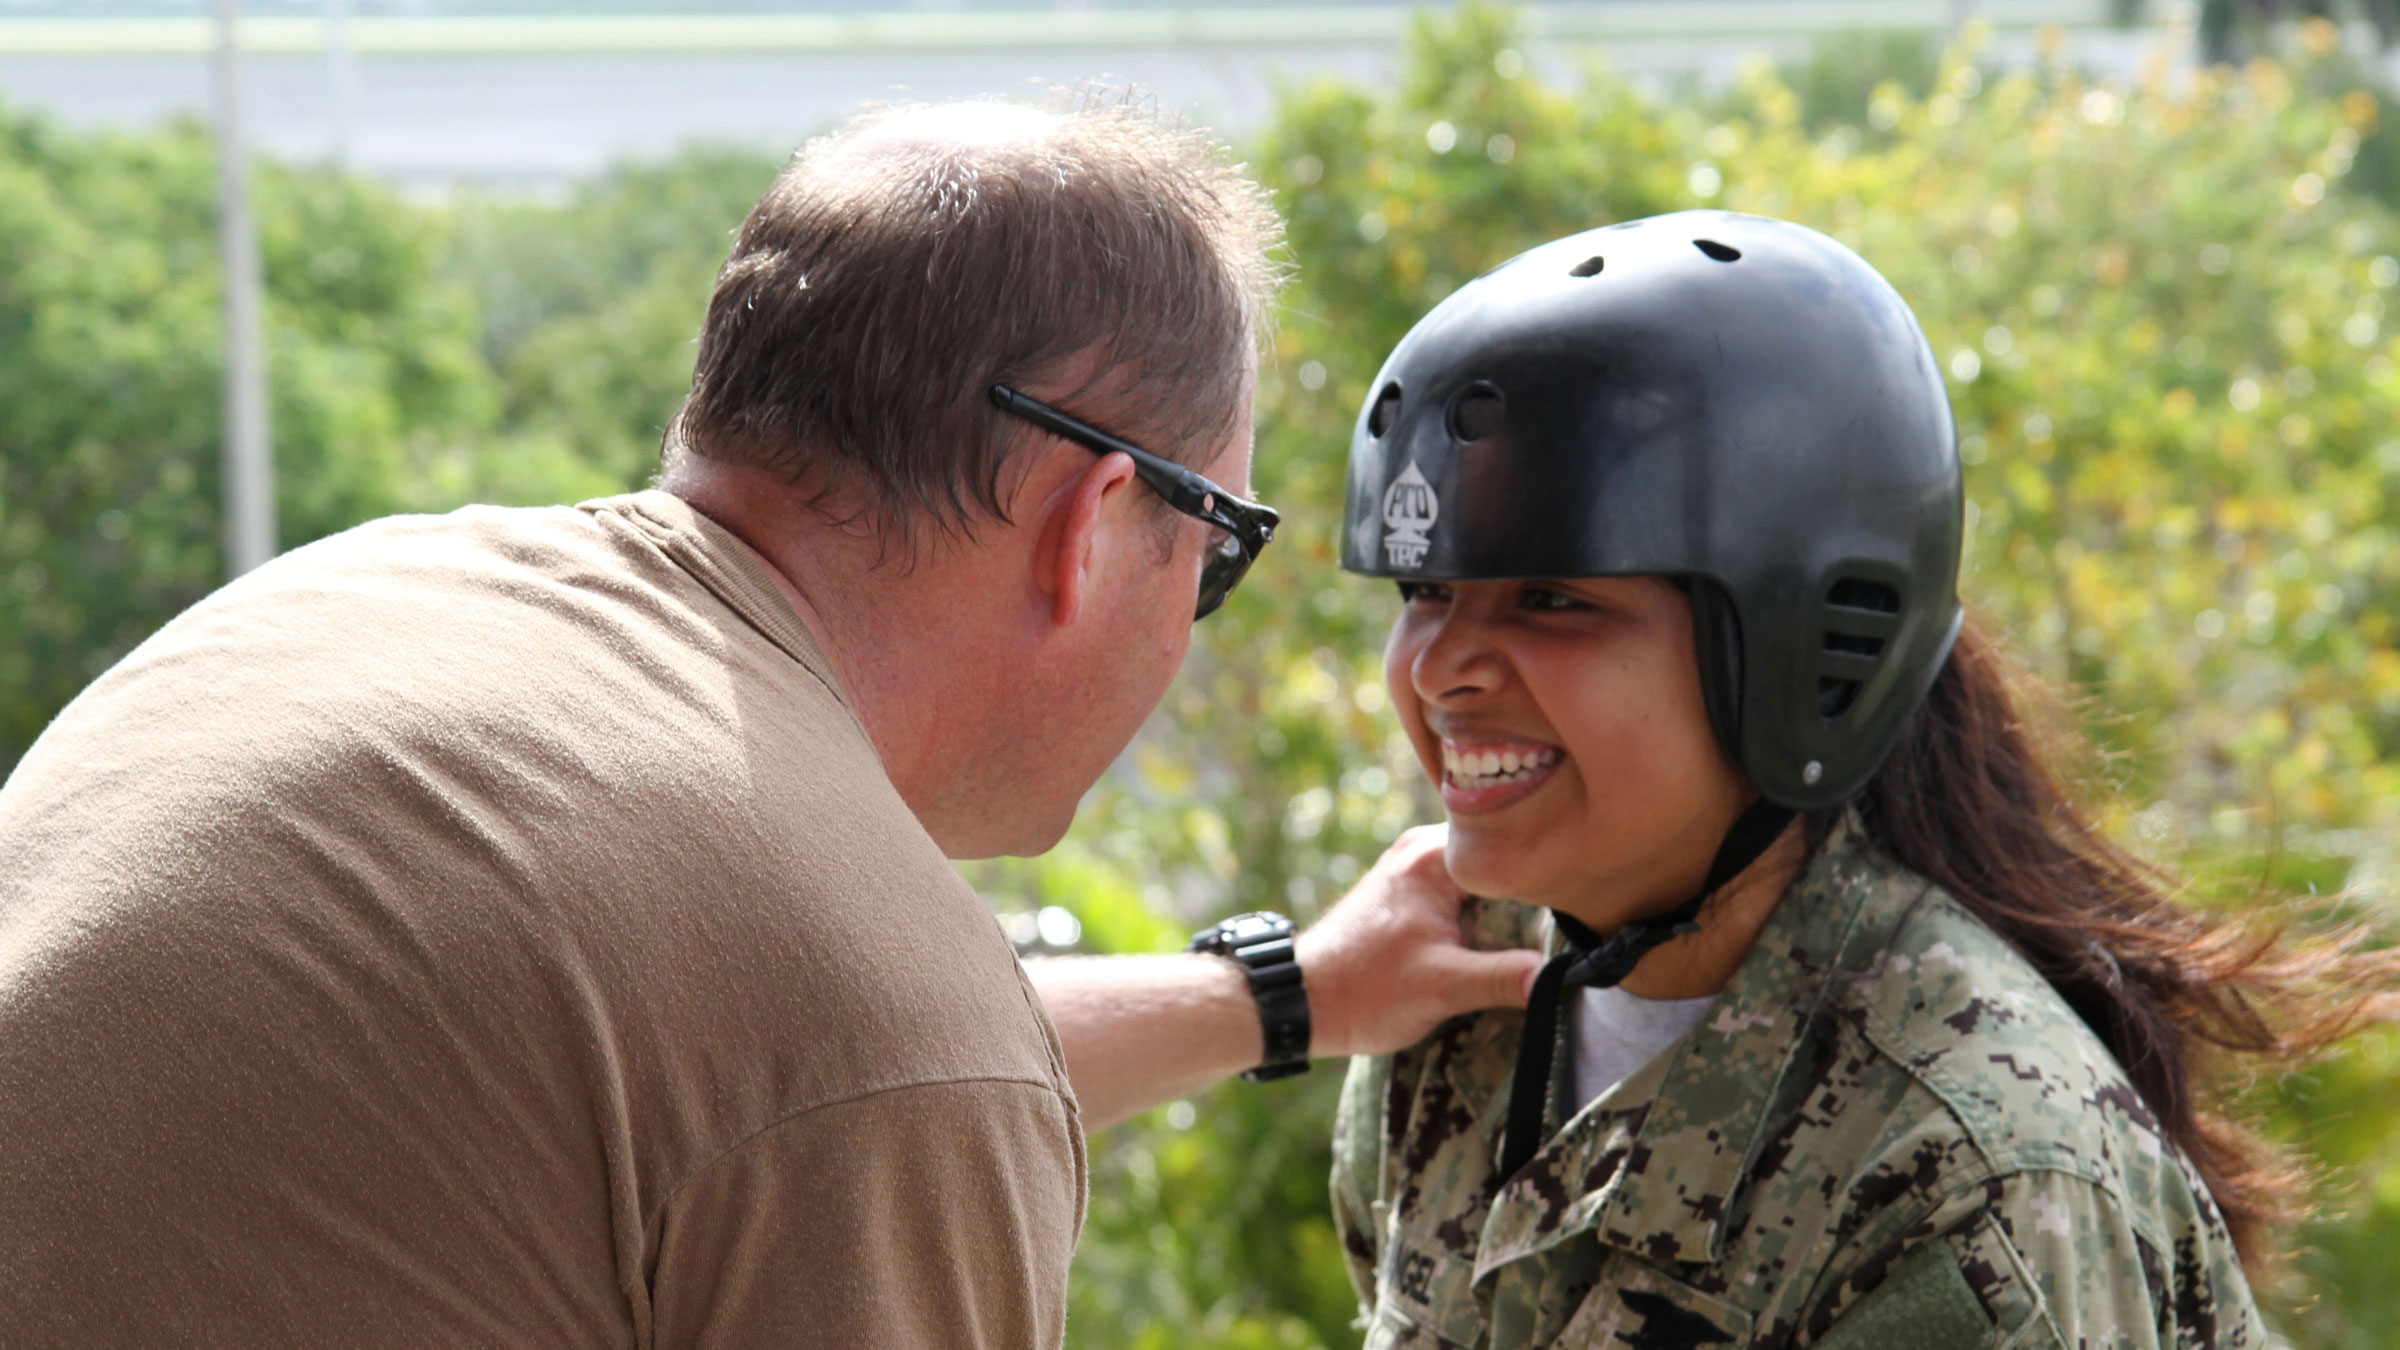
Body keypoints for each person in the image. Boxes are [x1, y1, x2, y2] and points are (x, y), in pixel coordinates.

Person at [0, 101, 1539, 1345]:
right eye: (1217, 548)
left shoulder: (348, 608)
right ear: (1098, 518)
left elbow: (699, 1097)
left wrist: (1286, 994)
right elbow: (846, 1073)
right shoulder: (859, 1015)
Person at [1326, 210, 2382, 1348]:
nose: (1439, 667)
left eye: (1552, 600)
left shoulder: (1969, 1181)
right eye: (1424, 594)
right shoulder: (1455, 1008)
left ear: (1795, 650)